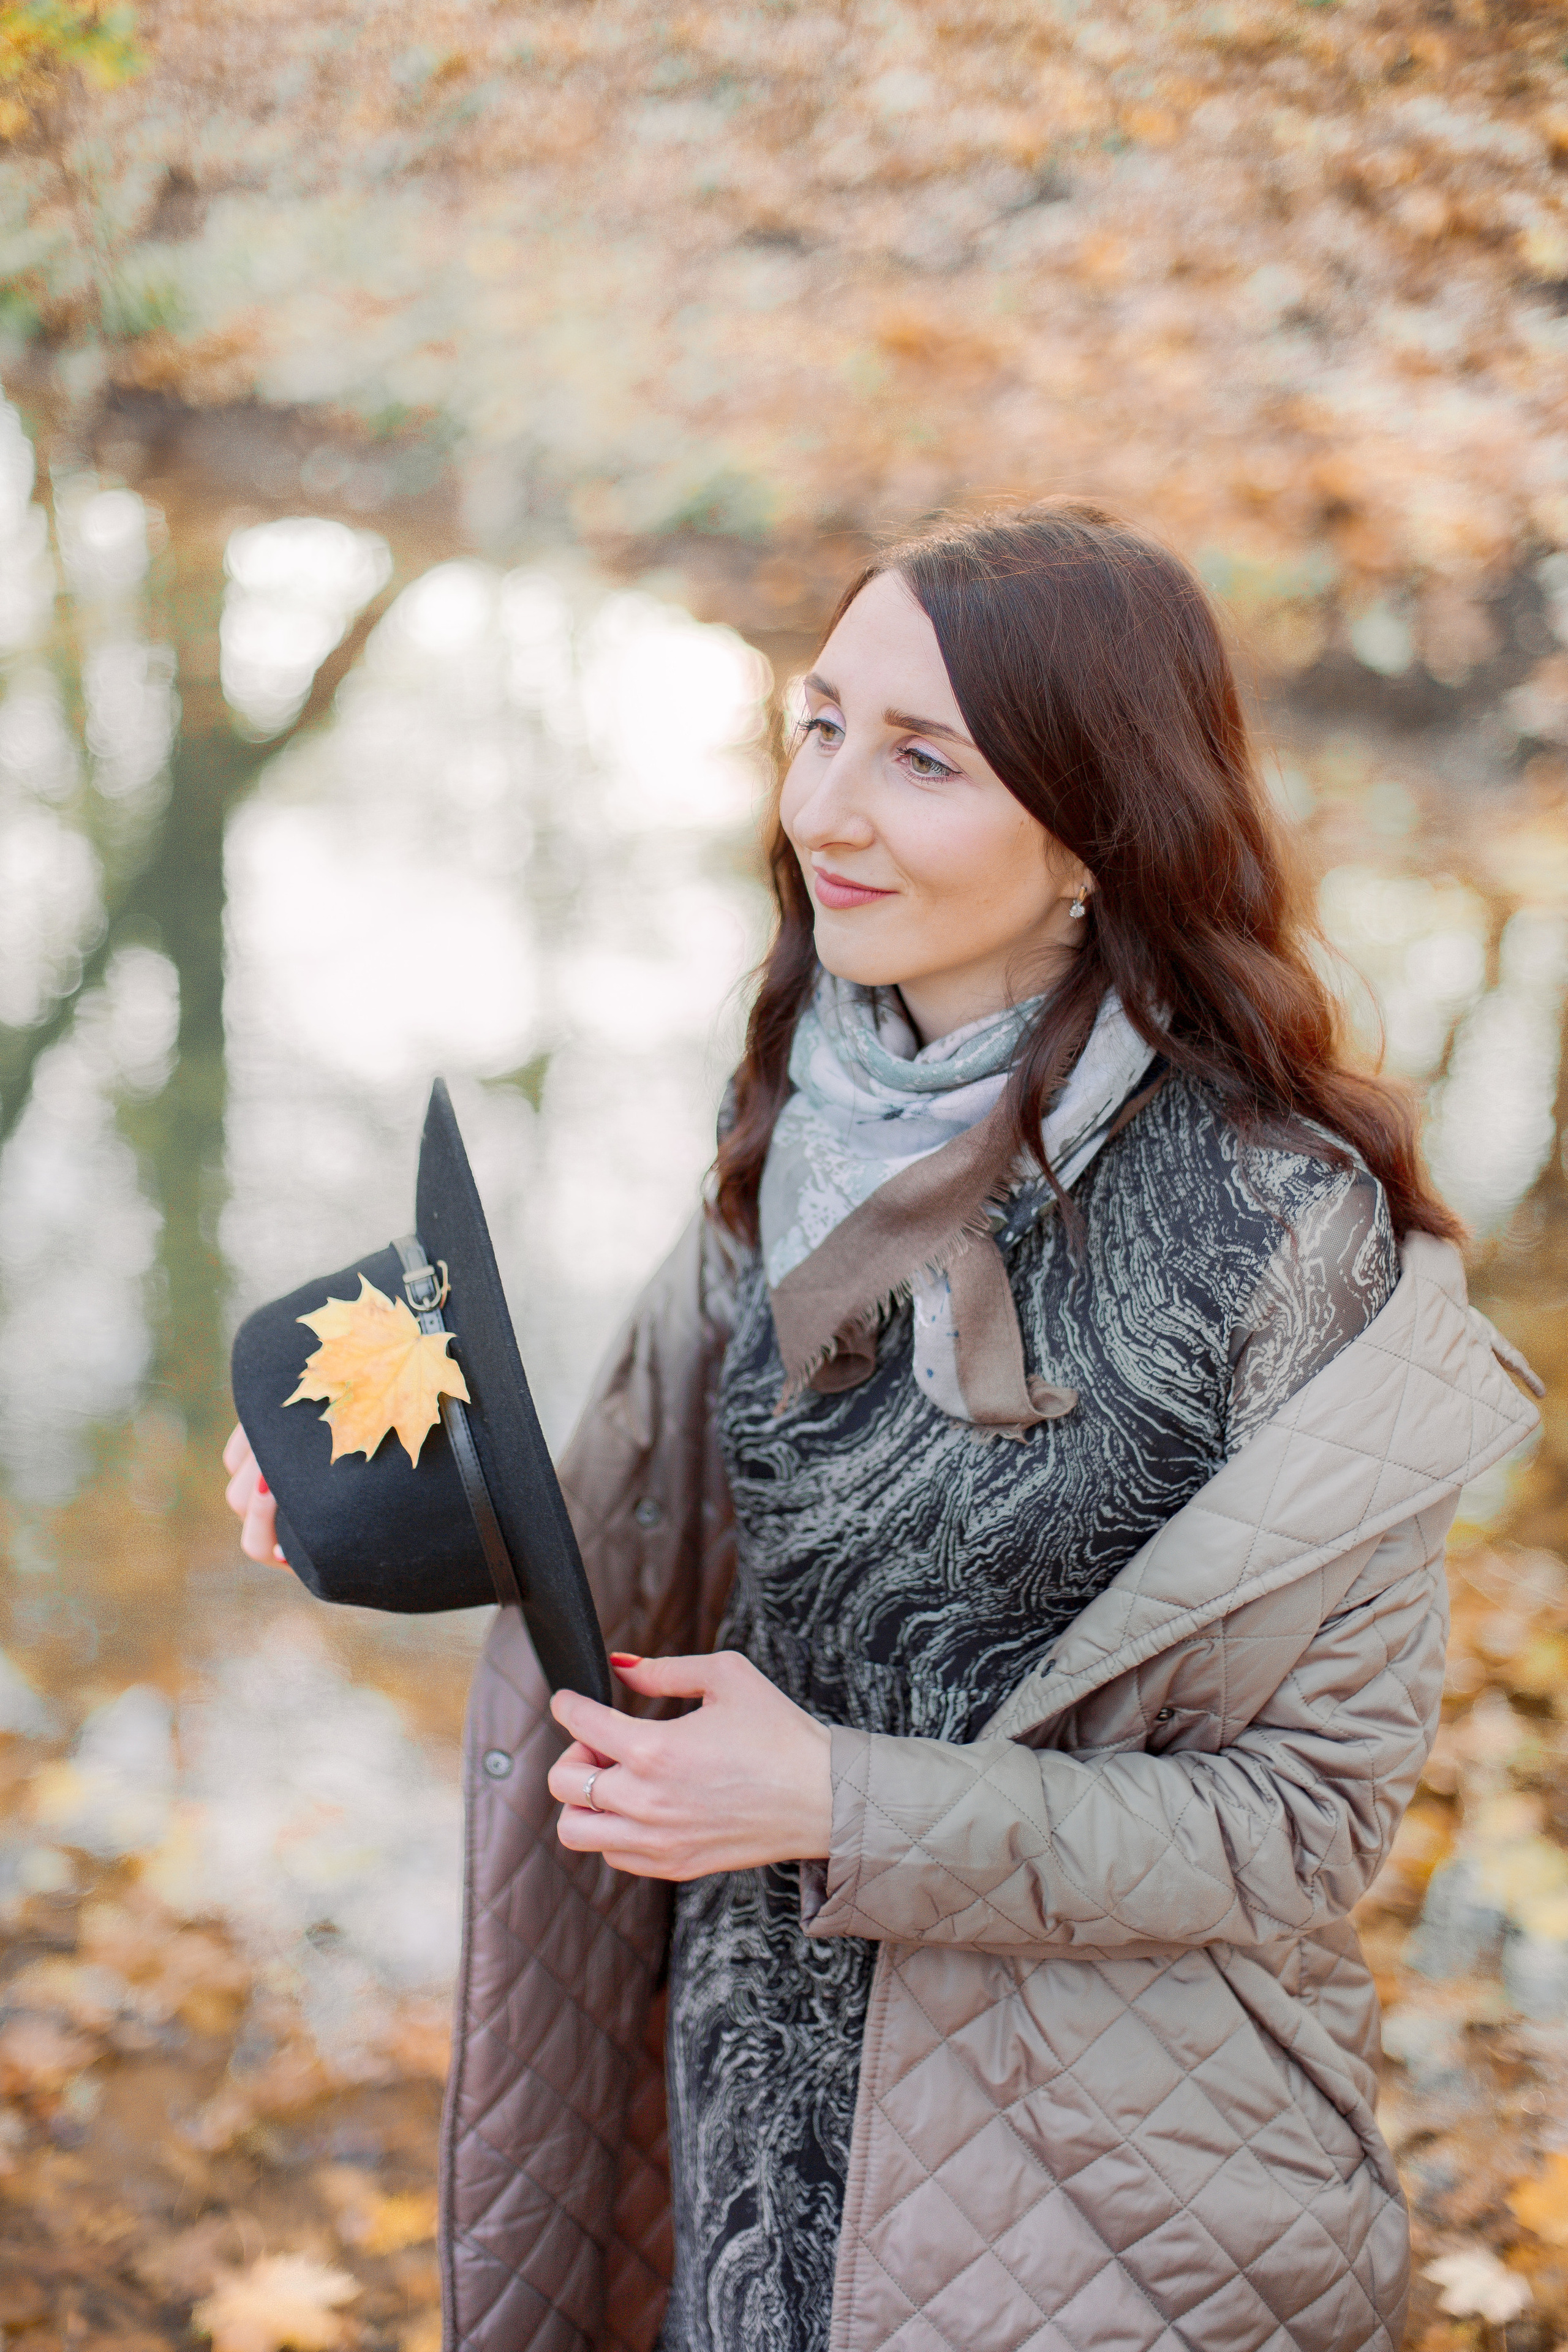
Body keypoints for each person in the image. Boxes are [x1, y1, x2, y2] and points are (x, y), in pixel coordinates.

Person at [225, 503, 1539, 2352]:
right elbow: (654, 1557)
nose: (825, 808)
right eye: (820, 722)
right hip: (746, 2120)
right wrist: (380, 1488)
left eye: (923, 758)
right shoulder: (795, 1110)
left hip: (1106, 2197)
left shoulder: (1285, 1233)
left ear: (1098, 825)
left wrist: (842, 1801)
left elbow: (1304, 1825)